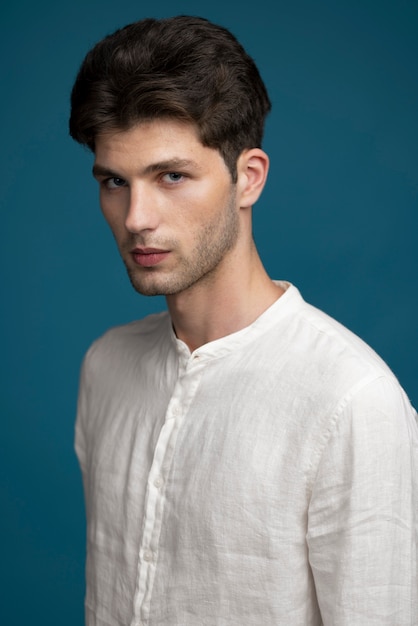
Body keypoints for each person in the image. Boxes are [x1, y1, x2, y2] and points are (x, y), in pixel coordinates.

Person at [69, 15, 418, 626]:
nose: (136, 218)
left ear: (247, 179)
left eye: (171, 176)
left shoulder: (351, 401)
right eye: (114, 182)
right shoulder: (106, 366)